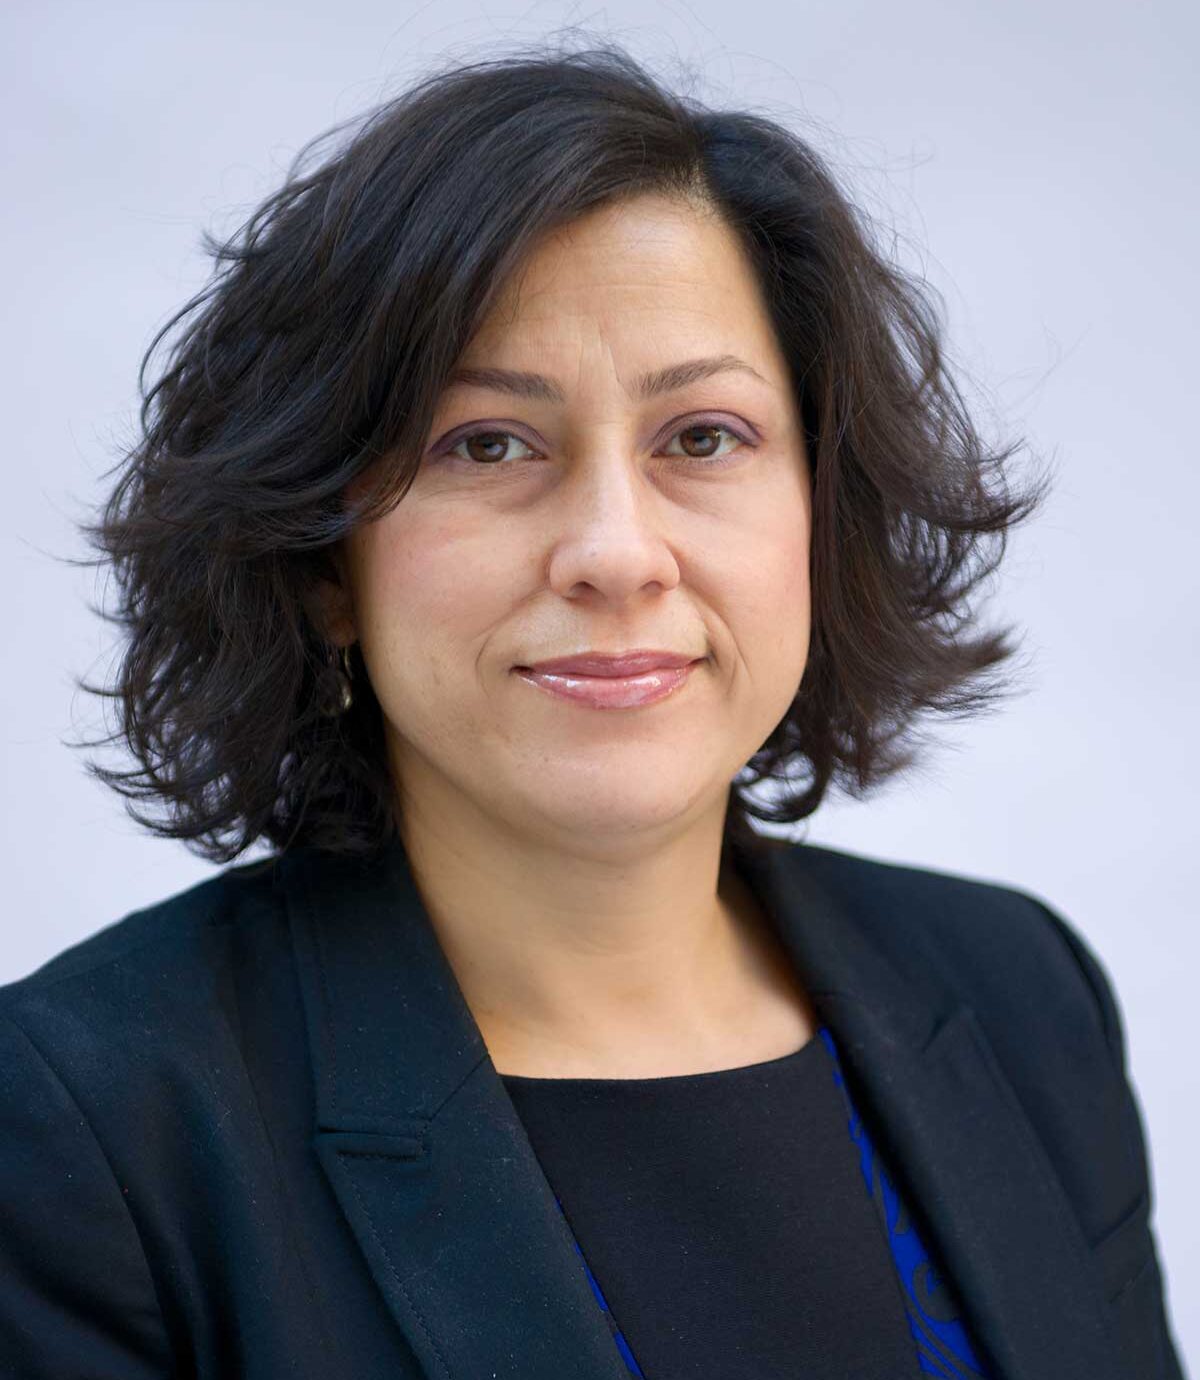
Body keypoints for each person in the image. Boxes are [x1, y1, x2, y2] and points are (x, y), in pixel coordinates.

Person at [0, 38, 1186, 1380]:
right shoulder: (94, 1126)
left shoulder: (1018, 993)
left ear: (821, 512)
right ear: (325, 562)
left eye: (703, 438)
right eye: (487, 444)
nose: (616, 554)